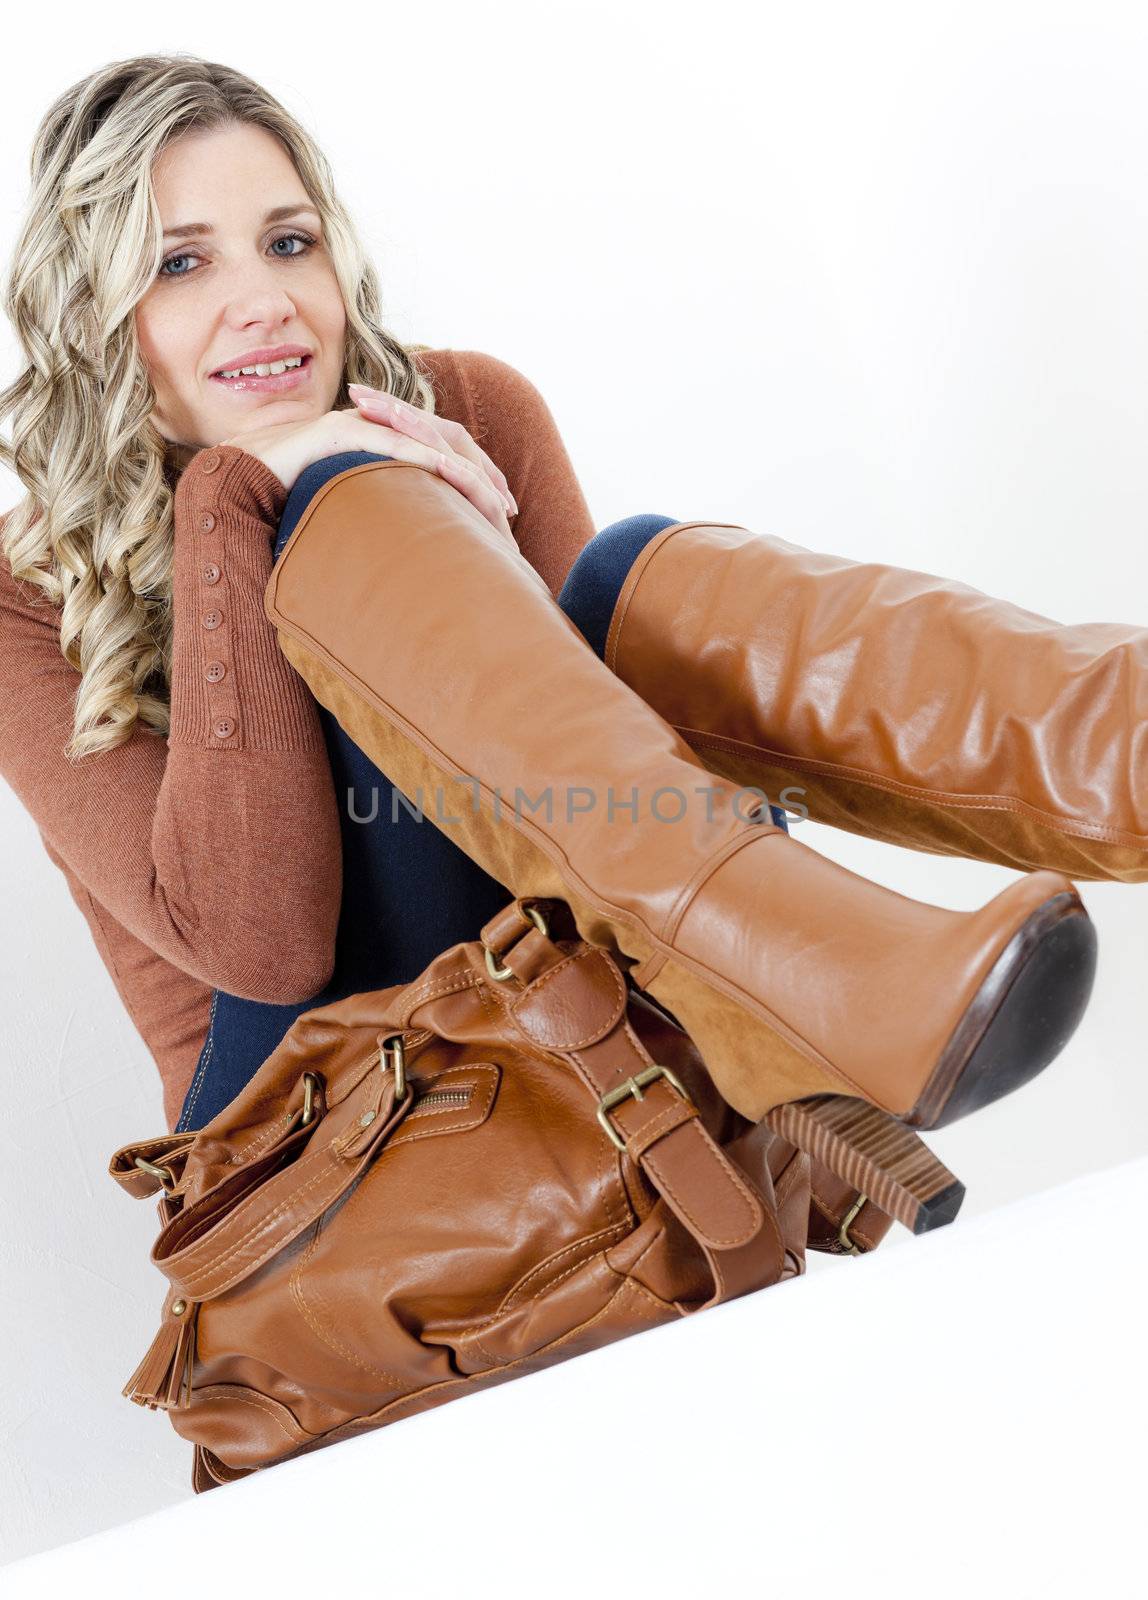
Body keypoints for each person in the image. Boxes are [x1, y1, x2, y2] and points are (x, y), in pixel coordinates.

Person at [1, 55, 1142, 1241]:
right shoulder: (17, 591)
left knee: (627, 584)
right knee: (359, 501)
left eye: (289, 243)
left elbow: (609, 793)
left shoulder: (468, 413)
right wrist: (236, 499)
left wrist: (481, 597)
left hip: (555, 976)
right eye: (180, 263)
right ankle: (816, 988)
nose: (264, 299)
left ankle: (1117, 743)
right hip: (305, 1133)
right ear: (95, 317)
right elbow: (262, 944)